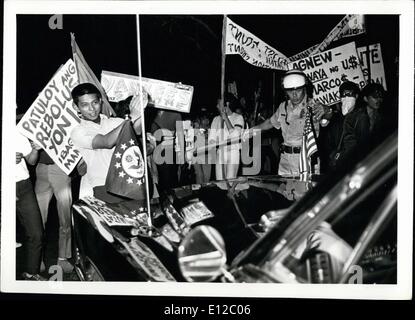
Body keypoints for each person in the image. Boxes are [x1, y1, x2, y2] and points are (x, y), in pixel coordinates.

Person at [247, 69, 331, 175]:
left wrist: (327, 110)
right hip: (285, 160)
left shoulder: (314, 106)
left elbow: (327, 119)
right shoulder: (283, 106)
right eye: (290, 91)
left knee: (304, 191)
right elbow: (269, 123)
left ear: (304, 88)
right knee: (285, 191)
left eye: (298, 90)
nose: (294, 95)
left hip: (305, 160)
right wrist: (248, 132)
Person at [70, 83, 146, 198]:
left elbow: (137, 131)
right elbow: (106, 142)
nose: (91, 109)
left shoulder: (115, 122)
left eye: (94, 103)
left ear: (100, 101)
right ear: (76, 107)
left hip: (128, 183)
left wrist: (140, 110)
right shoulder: (78, 132)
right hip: (103, 187)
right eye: (85, 105)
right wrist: (131, 118)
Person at [33, 148, 73, 273]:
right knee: (37, 219)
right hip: (41, 169)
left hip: (61, 168)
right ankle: (37, 259)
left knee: (65, 217)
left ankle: (63, 258)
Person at [16, 127, 45, 280]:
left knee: (36, 233)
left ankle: (31, 272)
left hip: (23, 185)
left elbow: (32, 161)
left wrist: (36, 149)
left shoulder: (17, 132)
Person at [209, 93, 245, 180]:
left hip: (233, 153)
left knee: (230, 181)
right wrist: (214, 145)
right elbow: (211, 139)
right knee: (220, 182)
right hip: (220, 153)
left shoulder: (238, 117)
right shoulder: (216, 119)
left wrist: (226, 119)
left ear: (227, 104)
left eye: (219, 103)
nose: (217, 106)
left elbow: (236, 135)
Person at [192, 113, 212, 184]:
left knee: (207, 177)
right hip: (196, 154)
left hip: (207, 155)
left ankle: (205, 191)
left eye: (207, 119)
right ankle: (200, 191)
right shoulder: (195, 129)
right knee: (199, 175)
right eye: (203, 119)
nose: (206, 121)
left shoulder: (210, 129)